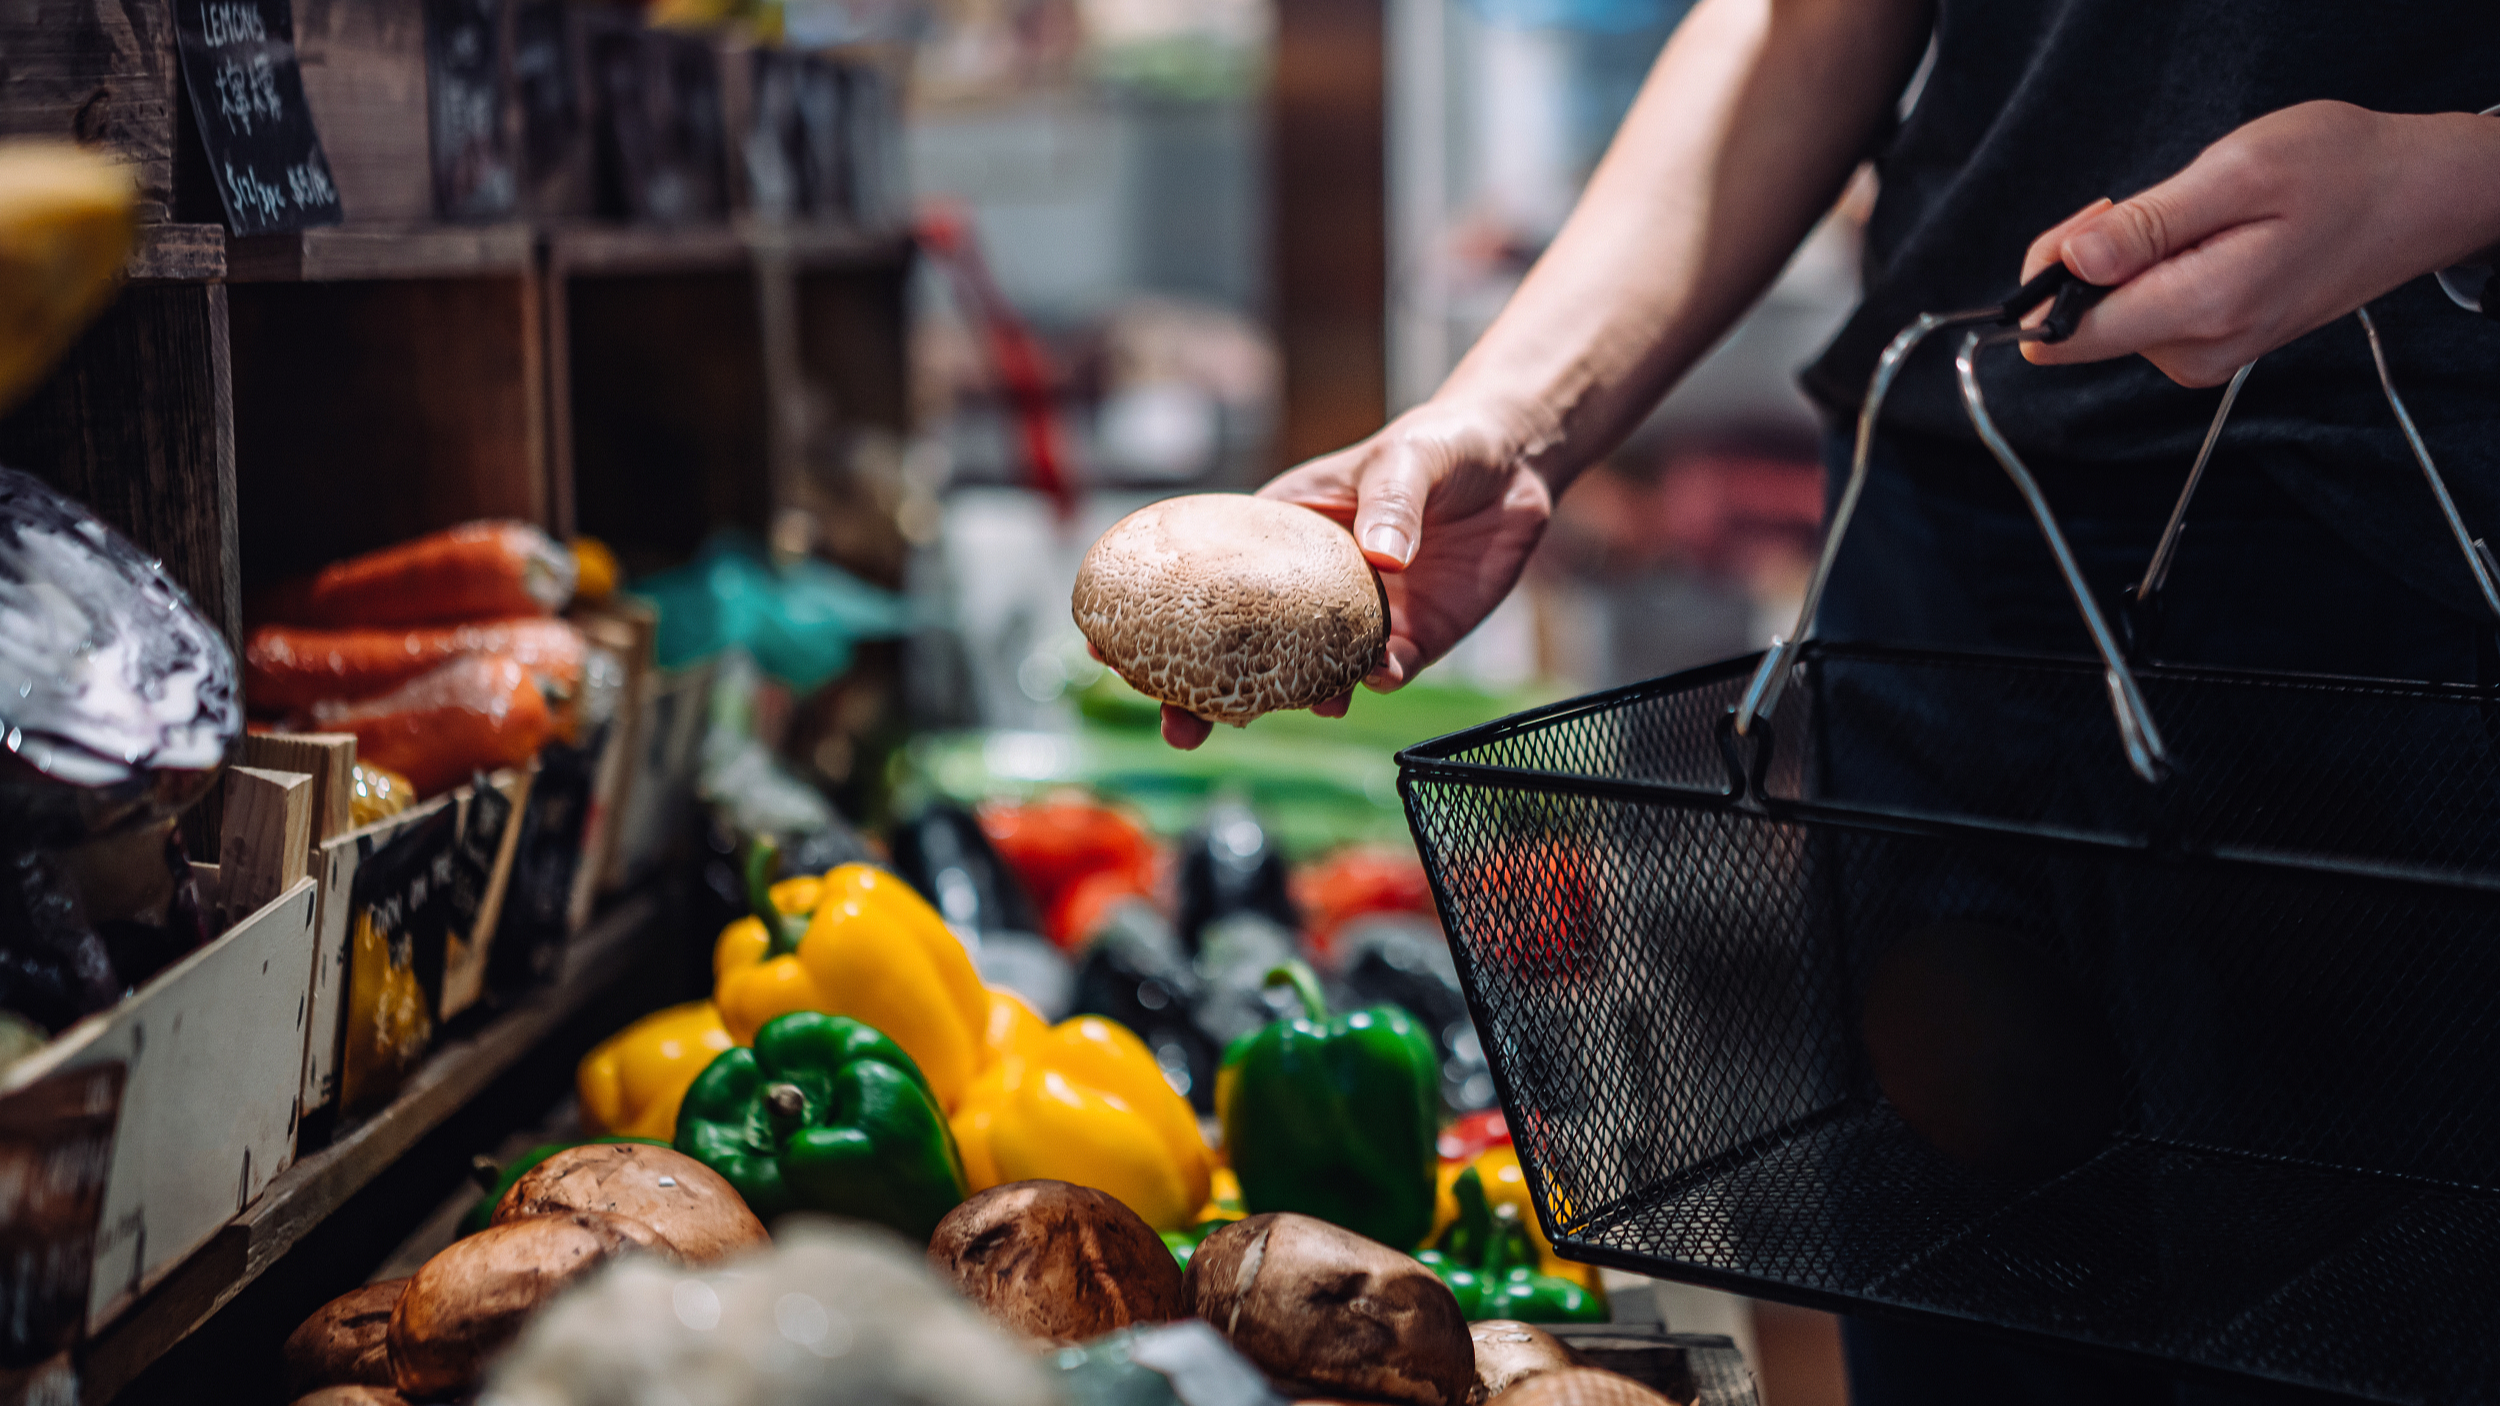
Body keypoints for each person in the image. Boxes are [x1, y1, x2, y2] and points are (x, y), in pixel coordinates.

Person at [1160, 1, 2500, 1400]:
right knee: (1960, 1331)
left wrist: (2459, 175)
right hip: (1941, 535)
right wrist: (1508, 414)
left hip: (2391, 562)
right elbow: (1805, 23)